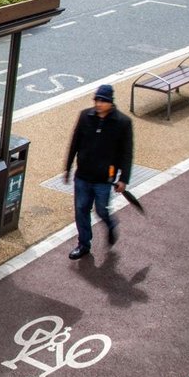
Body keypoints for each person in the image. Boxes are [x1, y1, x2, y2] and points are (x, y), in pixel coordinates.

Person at [64, 84, 134, 260]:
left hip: (104, 179)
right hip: (83, 175)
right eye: (97, 100)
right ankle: (84, 244)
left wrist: (123, 179)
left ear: (111, 102)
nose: (99, 104)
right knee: (81, 210)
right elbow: (75, 142)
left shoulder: (123, 123)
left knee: (101, 210)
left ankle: (110, 224)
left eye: (103, 101)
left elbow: (127, 153)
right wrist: (68, 167)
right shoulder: (85, 116)